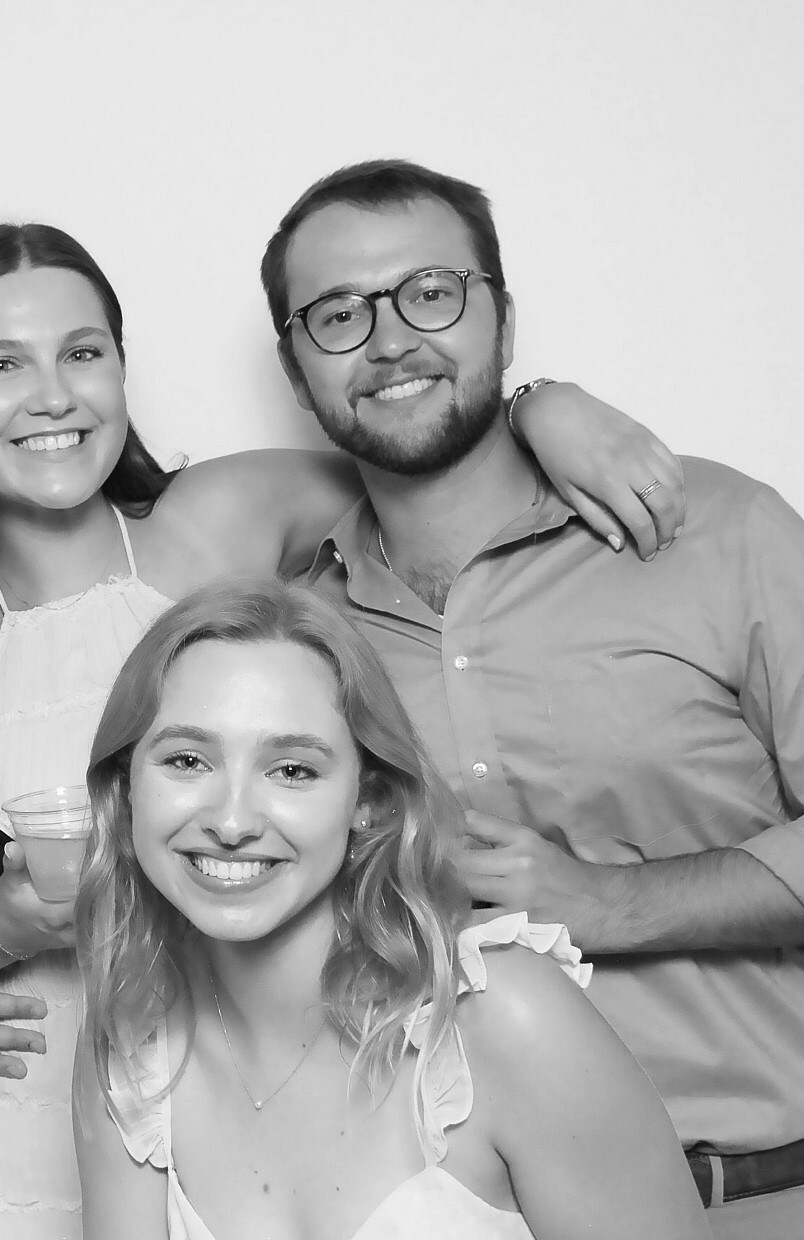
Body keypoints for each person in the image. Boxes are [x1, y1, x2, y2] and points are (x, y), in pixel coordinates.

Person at [0, 221, 685, 1238]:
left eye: (81, 352)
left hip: (283, 1066)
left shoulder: (219, 515)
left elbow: (419, 450)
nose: (51, 395)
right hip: (43, 1089)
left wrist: (539, 409)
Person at [272, 159, 804, 1236]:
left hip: (756, 1195)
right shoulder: (298, 634)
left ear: (503, 322)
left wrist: (610, 902)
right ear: (296, 372)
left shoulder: (716, 529)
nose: (388, 340)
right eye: (337, 314)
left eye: (430, 293)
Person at [71, 578, 708, 1240]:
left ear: (368, 802)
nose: (232, 822)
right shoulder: (129, 1049)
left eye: (292, 770)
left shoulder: (503, 1018)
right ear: (126, 789)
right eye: (186, 760)